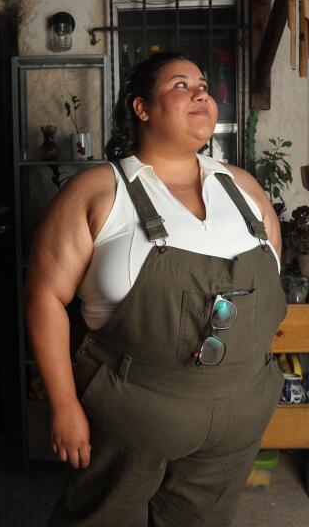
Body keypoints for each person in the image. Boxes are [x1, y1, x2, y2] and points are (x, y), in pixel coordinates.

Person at [25, 51, 287, 526]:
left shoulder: (243, 188)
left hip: (239, 412)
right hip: (132, 411)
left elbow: (268, 287)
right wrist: (63, 404)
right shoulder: (98, 191)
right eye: (181, 85)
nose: (201, 93)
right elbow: (45, 297)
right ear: (142, 108)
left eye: (204, 84)